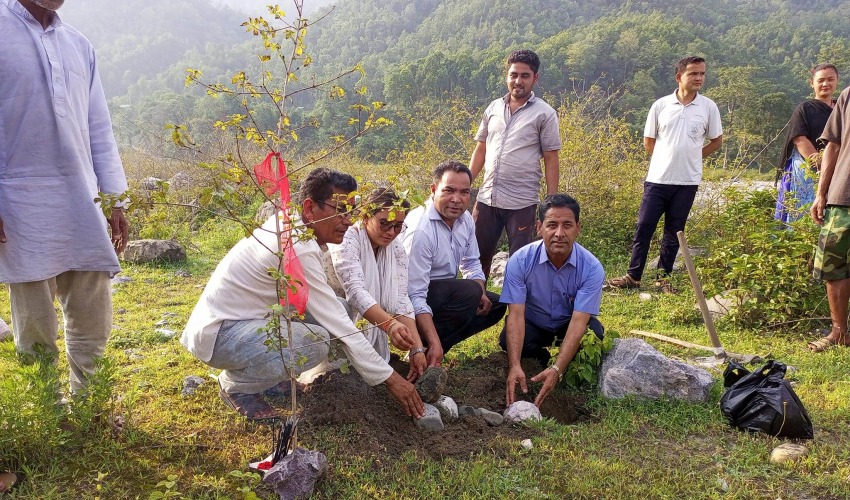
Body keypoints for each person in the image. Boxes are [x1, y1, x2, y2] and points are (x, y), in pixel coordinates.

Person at [181, 168, 425, 420]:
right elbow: (341, 326)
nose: (348, 220)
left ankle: (269, 378)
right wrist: (391, 379)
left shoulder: (292, 225)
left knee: (340, 307)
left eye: (351, 211)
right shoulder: (298, 245)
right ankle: (238, 385)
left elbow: (340, 310)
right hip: (221, 334)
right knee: (315, 342)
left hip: (247, 321)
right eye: (340, 211)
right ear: (310, 208)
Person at [0, 0, 130, 395]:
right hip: (19, 202)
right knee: (35, 323)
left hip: (82, 199)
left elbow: (99, 128)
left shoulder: (79, 44)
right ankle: (48, 414)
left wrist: (115, 200)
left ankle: (90, 405)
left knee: (92, 314)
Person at [608, 56, 723, 292]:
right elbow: (649, 141)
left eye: (702, 73)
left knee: (674, 231)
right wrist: (665, 159)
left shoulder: (708, 107)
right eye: (693, 73)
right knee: (644, 226)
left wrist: (693, 157)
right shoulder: (660, 105)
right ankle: (633, 277)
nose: (699, 78)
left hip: (687, 181)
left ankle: (663, 279)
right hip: (657, 180)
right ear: (679, 76)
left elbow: (717, 140)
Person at [501, 194, 604, 407]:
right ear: (539, 228)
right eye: (552, 225)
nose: (559, 233)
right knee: (507, 339)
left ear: (578, 228)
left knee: (594, 333)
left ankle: (559, 367)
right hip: (533, 323)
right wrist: (514, 364)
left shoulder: (592, 268)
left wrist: (558, 370)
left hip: (567, 323)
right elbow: (516, 315)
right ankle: (539, 361)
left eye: (567, 225)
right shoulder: (520, 261)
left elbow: (578, 322)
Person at [402, 161, 507, 367]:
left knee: (496, 304)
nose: (457, 200)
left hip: (443, 294)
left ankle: (434, 350)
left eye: (464, 192)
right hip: (409, 302)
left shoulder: (464, 219)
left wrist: (482, 292)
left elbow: (471, 263)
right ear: (433, 190)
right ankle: (426, 347)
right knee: (468, 292)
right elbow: (414, 294)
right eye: (449, 190)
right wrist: (474, 291)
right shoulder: (421, 230)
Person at [469, 49, 561, 280]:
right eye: (513, 75)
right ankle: (476, 308)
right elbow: (481, 148)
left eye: (524, 75)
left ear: (535, 78)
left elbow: (551, 158)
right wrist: (465, 183)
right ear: (507, 75)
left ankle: (518, 314)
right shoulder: (493, 108)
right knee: (476, 258)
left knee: (521, 261)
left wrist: (551, 202)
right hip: (487, 197)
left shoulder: (544, 113)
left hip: (522, 202)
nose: (517, 81)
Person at [329, 187, 427, 382]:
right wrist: (390, 326)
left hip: (370, 319)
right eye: (384, 224)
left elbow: (400, 299)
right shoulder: (347, 239)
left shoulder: (396, 249)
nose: (391, 232)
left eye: (398, 226)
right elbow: (356, 293)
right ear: (366, 218)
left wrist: (416, 348)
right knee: (343, 306)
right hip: (334, 317)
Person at [809, 83, 850, 352]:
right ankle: (839, 332)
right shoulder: (848, 95)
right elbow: (833, 145)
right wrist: (821, 193)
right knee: (833, 265)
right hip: (843, 193)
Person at [775, 64, 839, 223]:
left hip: (840, 168)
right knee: (805, 217)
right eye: (821, 80)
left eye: (830, 79)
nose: (826, 84)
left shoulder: (842, 108)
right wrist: (821, 166)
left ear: (837, 81)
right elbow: (800, 139)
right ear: (812, 83)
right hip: (810, 170)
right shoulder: (804, 109)